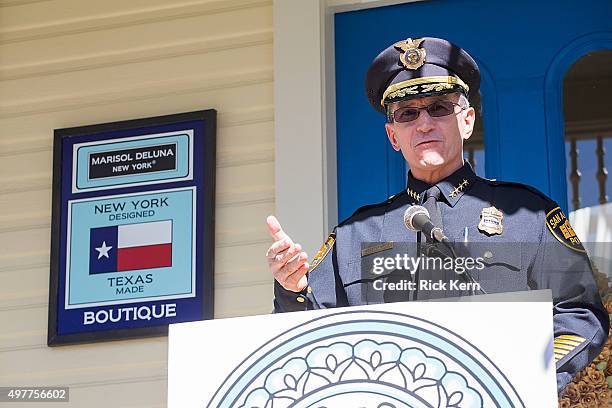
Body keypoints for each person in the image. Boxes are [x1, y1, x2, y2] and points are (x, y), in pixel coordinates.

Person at [265, 37, 609, 394]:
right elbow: (307, 338)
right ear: (393, 136)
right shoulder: (353, 235)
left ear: (468, 121)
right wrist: (294, 288)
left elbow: (581, 314)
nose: (424, 124)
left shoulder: (530, 216)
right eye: (407, 114)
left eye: (440, 108)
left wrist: (521, 380)